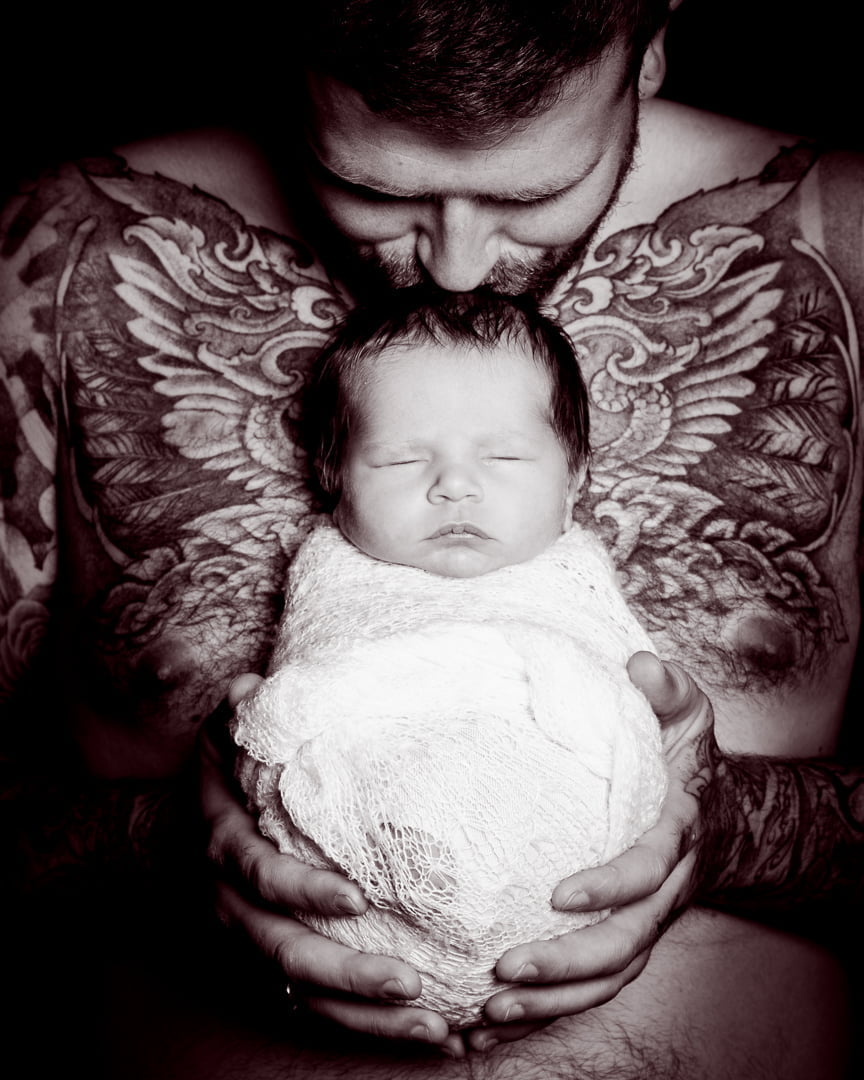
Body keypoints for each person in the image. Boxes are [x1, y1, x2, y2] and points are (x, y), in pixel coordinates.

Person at [1, 1, 861, 1077]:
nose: (455, 266)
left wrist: (729, 826)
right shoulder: (60, 253)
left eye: (530, 193)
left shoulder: (842, 231)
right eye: (376, 188)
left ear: (647, 51)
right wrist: (166, 843)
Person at [229, 287, 668, 1029]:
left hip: (564, 876)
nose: (455, 484)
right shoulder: (334, 576)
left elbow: (628, 709)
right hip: (363, 888)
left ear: (576, 479)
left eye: (504, 454)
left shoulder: (572, 577)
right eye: (402, 459)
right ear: (332, 474)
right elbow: (296, 713)